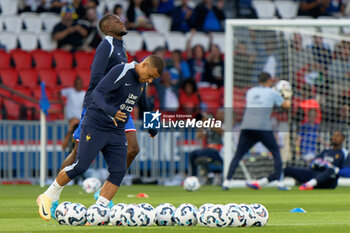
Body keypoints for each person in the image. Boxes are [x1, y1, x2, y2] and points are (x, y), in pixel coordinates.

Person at [37, 55, 165, 221]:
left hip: (116, 130)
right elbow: (97, 93)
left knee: (118, 171)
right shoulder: (121, 70)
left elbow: (145, 105)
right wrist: (111, 110)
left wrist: (152, 127)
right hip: (96, 125)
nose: (150, 80)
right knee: (80, 166)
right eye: (150, 75)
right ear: (145, 64)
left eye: (153, 78)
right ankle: (48, 196)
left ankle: (99, 212)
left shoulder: (142, 82)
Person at [53, 14, 154, 217]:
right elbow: (96, 79)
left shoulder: (121, 47)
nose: (121, 20)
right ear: (107, 28)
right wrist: (101, 107)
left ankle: (104, 193)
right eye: (116, 20)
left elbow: (141, 93)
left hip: (121, 109)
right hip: (99, 108)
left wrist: (153, 122)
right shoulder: (106, 45)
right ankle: (53, 197)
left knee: (133, 148)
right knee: (77, 156)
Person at [222, 72, 291, 190]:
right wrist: (287, 94)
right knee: (276, 153)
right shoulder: (272, 92)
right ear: (269, 80)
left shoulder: (250, 92)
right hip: (262, 127)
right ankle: (280, 183)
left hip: (247, 126)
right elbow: (286, 106)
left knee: (238, 155)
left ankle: (227, 182)